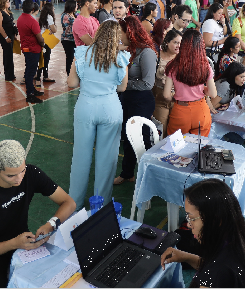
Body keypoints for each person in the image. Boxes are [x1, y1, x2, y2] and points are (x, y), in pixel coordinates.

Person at [0, 140, 75, 288]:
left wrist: (51, 224)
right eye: (11, 176)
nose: (19, 179)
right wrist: (14, 243)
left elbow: (69, 203)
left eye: (22, 171)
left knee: (52, 275)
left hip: (23, 240)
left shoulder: (31, 173)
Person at [160, 179, 245, 288]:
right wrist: (185, 257)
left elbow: (216, 272)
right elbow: (214, 266)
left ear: (215, 220)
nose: (188, 225)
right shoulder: (240, 238)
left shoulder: (216, 274)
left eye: (192, 218)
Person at [67, 21, 129, 203]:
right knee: (107, 158)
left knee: (80, 156)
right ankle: (101, 204)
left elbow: (71, 83)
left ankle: (74, 203)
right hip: (110, 107)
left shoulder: (82, 53)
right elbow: (122, 87)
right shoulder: (120, 57)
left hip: (85, 105)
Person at [113, 16, 158, 185]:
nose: (119, 36)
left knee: (142, 139)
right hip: (127, 99)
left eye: (121, 32)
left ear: (130, 32)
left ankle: (150, 175)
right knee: (127, 136)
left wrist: (123, 84)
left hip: (141, 101)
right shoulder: (129, 50)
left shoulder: (146, 53)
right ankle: (127, 173)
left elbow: (148, 83)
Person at [164, 29, 217, 136]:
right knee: (199, 145)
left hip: (180, 111)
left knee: (176, 145)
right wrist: (203, 89)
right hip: (201, 111)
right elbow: (213, 94)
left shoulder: (172, 65)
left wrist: (175, 97)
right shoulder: (205, 66)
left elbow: (166, 95)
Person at [152, 29, 181, 136]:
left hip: (177, 100)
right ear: (167, 42)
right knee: (160, 131)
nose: (179, 46)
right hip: (160, 99)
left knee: (175, 133)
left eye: (180, 43)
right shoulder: (157, 55)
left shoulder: (182, 58)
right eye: (175, 42)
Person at [17, 0, 45, 103]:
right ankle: (30, 94)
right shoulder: (32, 21)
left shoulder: (20, 19)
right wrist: (43, 43)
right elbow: (39, 37)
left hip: (25, 47)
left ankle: (32, 90)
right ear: (33, 9)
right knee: (31, 72)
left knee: (29, 69)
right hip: (33, 49)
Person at [0, 0, 17, 82]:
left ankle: (11, 73)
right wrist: (6, 37)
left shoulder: (8, 11)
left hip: (11, 33)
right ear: (3, 3)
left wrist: (14, 35)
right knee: (7, 53)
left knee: (10, 53)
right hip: (4, 34)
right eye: (7, 2)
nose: (9, 3)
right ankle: (8, 75)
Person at [35, 2, 57, 84]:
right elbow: (54, 29)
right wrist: (54, 28)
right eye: (53, 8)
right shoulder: (49, 17)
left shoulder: (42, 16)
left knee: (42, 58)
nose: (54, 9)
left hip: (41, 39)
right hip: (46, 41)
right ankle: (41, 77)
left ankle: (41, 76)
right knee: (45, 59)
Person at [60, 0, 77, 76]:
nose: (77, 7)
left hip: (74, 39)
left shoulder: (74, 14)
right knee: (70, 58)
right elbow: (67, 28)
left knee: (74, 58)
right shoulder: (66, 16)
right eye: (76, 5)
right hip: (67, 40)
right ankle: (69, 75)